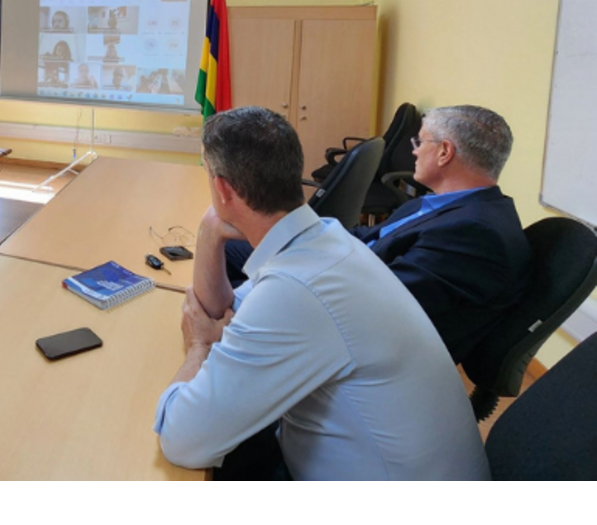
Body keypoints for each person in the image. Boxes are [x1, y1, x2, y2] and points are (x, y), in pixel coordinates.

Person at [154, 106, 488, 480]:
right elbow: (221, 311)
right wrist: (210, 230)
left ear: (222, 188)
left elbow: (180, 440)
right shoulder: (327, 239)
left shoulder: (296, 290)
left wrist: (199, 345)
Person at [225, 104, 531, 363]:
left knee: (233, 296)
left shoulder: (475, 233)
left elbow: (378, 307)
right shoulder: (444, 205)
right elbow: (371, 235)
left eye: (420, 142)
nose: (414, 151)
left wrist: (295, 269)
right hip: (340, 274)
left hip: (354, 340)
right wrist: (290, 231)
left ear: (444, 152)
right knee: (231, 249)